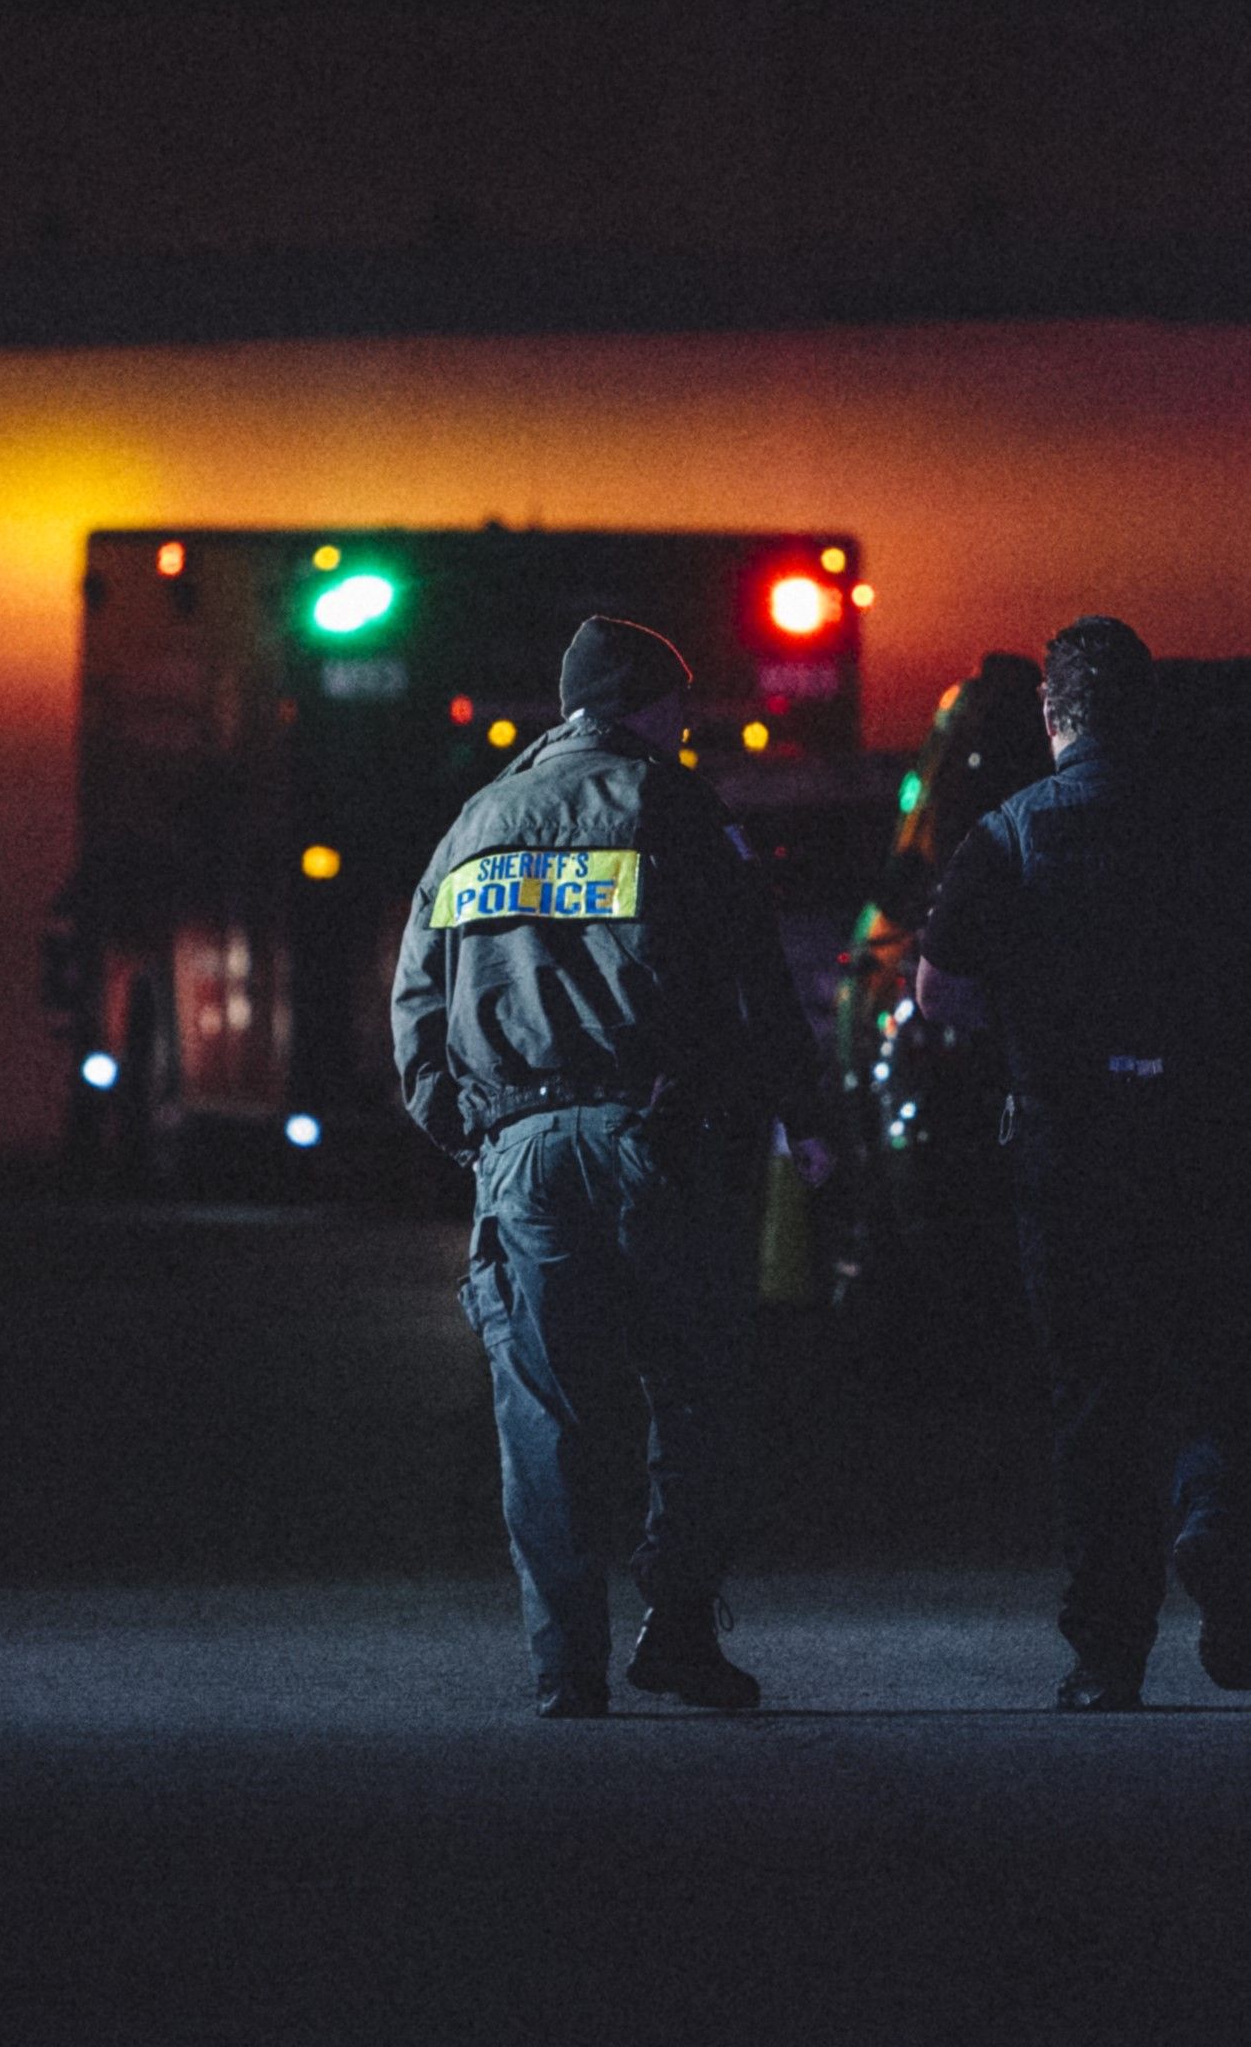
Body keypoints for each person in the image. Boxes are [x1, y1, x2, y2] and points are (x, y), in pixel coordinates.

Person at [392, 617, 835, 1718]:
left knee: (543, 1415)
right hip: (656, 1145)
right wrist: (804, 1119)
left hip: (520, 1152)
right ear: (647, 705)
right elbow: (753, 976)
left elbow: (415, 1005)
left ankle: (566, 1669)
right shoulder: (666, 804)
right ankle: (677, 1630)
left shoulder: (475, 824)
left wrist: (475, 1133)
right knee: (697, 1396)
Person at [915, 615, 1251, 1712]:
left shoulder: (1009, 835)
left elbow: (940, 996)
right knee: (1220, 1362)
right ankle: (1213, 1521)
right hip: (1210, 1134)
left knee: (1096, 1398)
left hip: (1072, 1145)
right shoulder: (1224, 820)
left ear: (1056, 717)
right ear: (1148, 710)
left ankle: (1108, 1654)